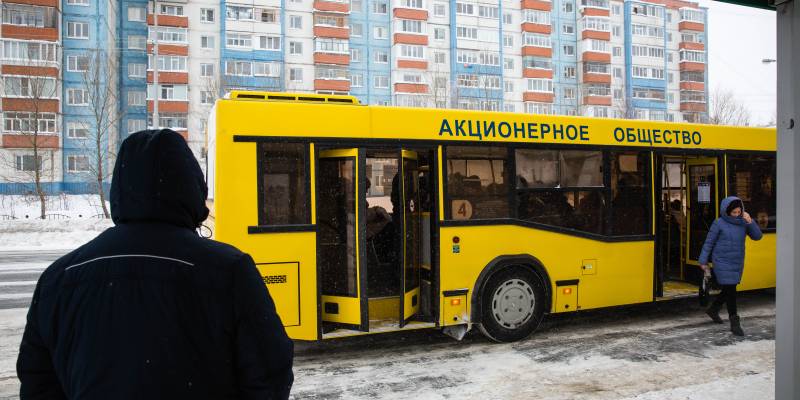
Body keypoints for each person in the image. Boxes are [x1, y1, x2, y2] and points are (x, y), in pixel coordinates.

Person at [17, 129, 294, 399]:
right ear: (191, 187)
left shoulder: (59, 278)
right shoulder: (230, 271)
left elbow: (37, 382)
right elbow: (270, 374)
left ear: (120, 190)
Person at [698, 196, 763, 336]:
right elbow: (709, 243)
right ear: (726, 211)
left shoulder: (743, 223)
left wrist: (750, 221)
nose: (736, 214)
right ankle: (735, 322)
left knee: (729, 288)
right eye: (734, 212)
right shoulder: (719, 223)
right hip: (721, 261)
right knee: (731, 289)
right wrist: (703, 261)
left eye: (739, 212)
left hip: (737, 261)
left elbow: (758, 236)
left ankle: (713, 309)